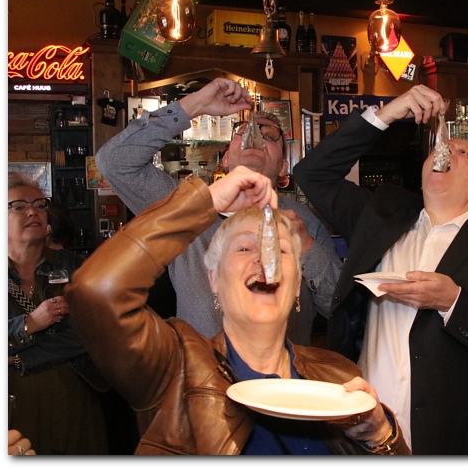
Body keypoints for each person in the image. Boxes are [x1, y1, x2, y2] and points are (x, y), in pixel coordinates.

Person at [66, 166, 409, 456]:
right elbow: (95, 290)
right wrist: (206, 202)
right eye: (244, 248)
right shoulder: (176, 366)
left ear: (296, 284)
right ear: (213, 279)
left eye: (279, 250)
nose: (263, 259)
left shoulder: (337, 377)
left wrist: (382, 436)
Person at [293, 88, 468, 454]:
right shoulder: (381, 216)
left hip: (446, 441)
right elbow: (312, 173)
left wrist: (453, 302)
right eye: (441, 148)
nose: (446, 151)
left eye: (462, 152)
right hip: (359, 428)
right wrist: (387, 113)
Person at [94, 78, 342, 344]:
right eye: (243, 131)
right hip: (202, 368)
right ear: (226, 158)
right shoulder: (186, 208)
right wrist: (195, 105)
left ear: (283, 165)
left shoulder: (304, 222)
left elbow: (338, 306)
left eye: (270, 135)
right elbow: (114, 162)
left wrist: (305, 246)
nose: (255, 137)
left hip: (283, 369)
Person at [8, 172, 109, 455]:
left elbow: (91, 333)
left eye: (39, 205)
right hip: (14, 410)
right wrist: (29, 324)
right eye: (18, 206)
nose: (33, 212)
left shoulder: (75, 267)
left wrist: (19, 357)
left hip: (75, 402)